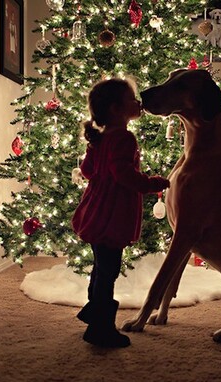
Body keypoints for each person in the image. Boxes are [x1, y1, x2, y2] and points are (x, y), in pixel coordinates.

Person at [71, 78, 170, 348]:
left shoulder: (101, 138)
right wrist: (152, 183)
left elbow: (89, 172)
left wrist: (94, 154)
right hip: (111, 216)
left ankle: (94, 311)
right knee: (109, 270)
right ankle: (100, 327)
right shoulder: (124, 137)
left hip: (94, 211)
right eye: (132, 99)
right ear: (116, 109)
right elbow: (125, 176)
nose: (138, 102)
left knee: (101, 267)